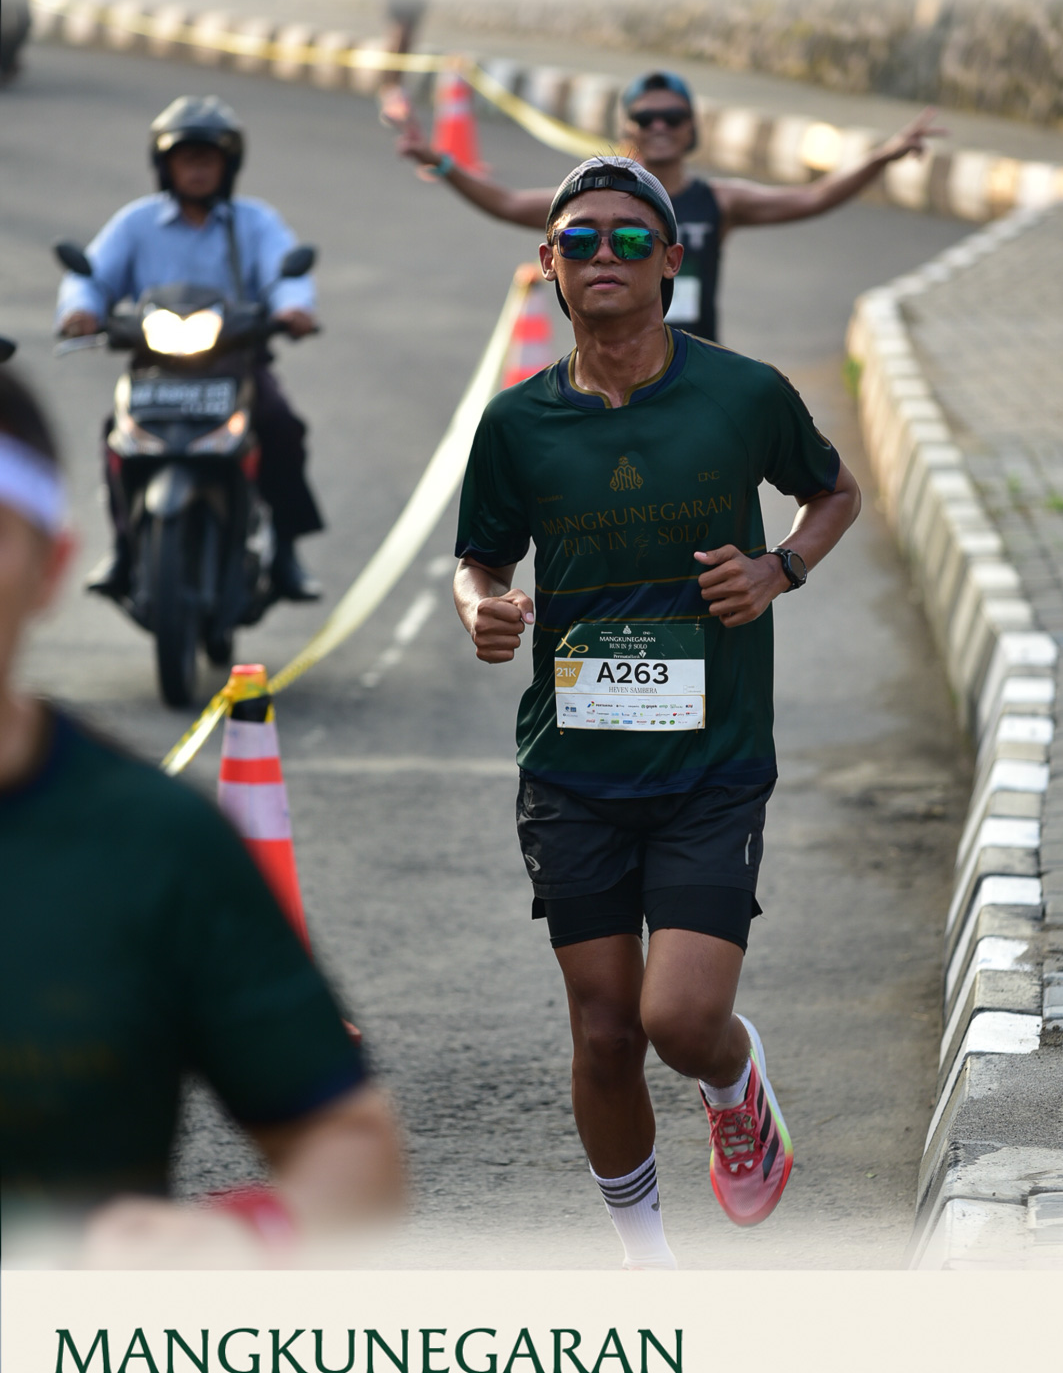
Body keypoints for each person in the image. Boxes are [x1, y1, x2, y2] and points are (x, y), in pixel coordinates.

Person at [452, 156, 861, 1268]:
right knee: (604, 1031)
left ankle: (732, 1079)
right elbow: (480, 559)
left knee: (677, 1019)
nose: (605, 256)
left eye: (631, 238)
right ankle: (647, 1266)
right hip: (571, 768)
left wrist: (779, 568)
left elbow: (833, 492)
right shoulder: (516, 422)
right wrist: (484, 607)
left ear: (672, 260)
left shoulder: (743, 393)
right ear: (548, 264)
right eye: (580, 239)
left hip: (711, 764)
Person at [0, 361, 403, 1265]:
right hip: (157, 384)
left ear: (51, 566)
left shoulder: (156, 844)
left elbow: (351, 1145)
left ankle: (284, 545)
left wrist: (232, 1237)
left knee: (281, 430)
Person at [394, 67, 944, 341]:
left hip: (695, 368)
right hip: (614, 365)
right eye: (646, 117)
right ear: (627, 127)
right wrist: (441, 162)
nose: (659, 126)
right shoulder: (594, 202)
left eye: (673, 117)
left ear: (690, 130)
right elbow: (508, 202)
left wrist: (883, 157)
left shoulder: (719, 201)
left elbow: (813, 198)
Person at [56, 95, 325, 602]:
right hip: (155, 370)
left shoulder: (255, 221)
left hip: (236, 363)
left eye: (208, 159)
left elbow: (286, 272)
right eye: (186, 159)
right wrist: (80, 311)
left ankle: (286, 552)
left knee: (281, 426)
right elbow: (90, 276)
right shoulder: (135, 223)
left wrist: (294, 309)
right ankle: (123, 547)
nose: (198, 170)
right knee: (116, 436)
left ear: (228, 166)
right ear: (165, 166)